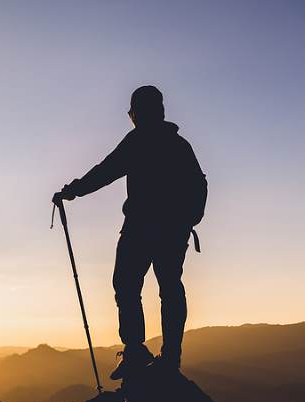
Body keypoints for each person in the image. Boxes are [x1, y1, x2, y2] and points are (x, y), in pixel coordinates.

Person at [53, 85, 207, 380]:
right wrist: (188, 221)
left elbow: (105, 171)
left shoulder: (138, 141)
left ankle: (136, 351)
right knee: (170, 289)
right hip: (173, 231)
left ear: (134, 113)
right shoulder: (179, 145)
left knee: (126, 286)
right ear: (160, 110)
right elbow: (198, 185)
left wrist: (73, 191)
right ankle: (169, 356)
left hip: (139, 227)